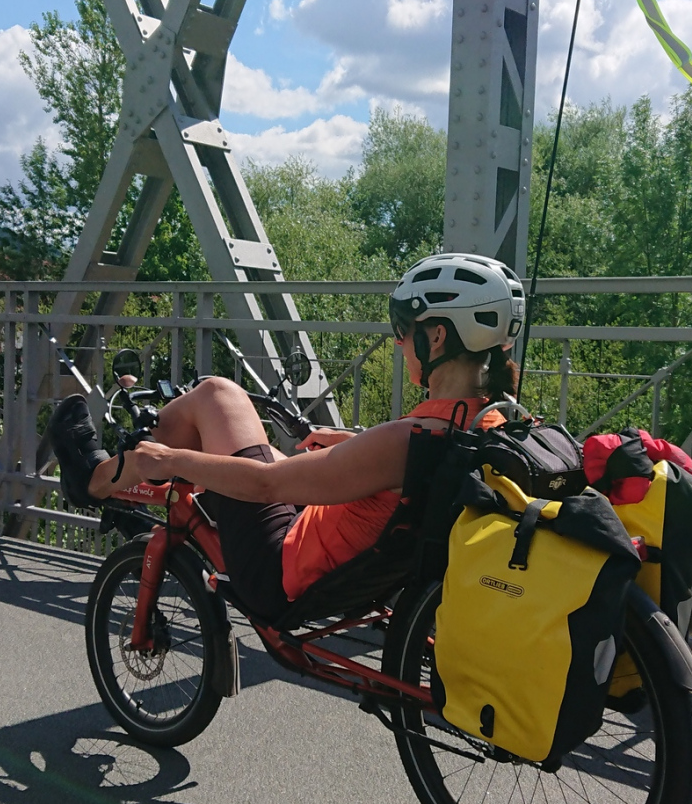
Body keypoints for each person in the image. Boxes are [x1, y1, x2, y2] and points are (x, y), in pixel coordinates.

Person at [49, 253, 526, 617]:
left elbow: (264, 486)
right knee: (275, 454)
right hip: (343, 562)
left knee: (217, 395)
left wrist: (168, 460)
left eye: (404, 330)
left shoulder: (407, 439)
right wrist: (353, 446)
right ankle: (125, 477)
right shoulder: (493, 424)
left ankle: (97, 478)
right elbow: (400, 470)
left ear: (437, 337)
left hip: (280, 571)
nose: (401, 342)